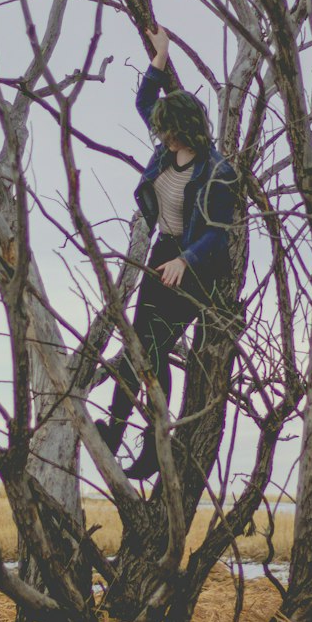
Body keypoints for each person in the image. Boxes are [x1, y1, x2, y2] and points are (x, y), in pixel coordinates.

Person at [96, 26, 239, 480]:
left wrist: (185, 260)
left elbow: (218, 235)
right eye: (162, 133)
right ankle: (115, 433)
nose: (164, 139)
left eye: (170, 133)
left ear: (188, 131)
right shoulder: (165, 151)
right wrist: (160, 57)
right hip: (164, 253)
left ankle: (155, 445)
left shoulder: (218, 172)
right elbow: (144, 103)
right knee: (138, 346)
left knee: (154, 348)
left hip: (196, 267)